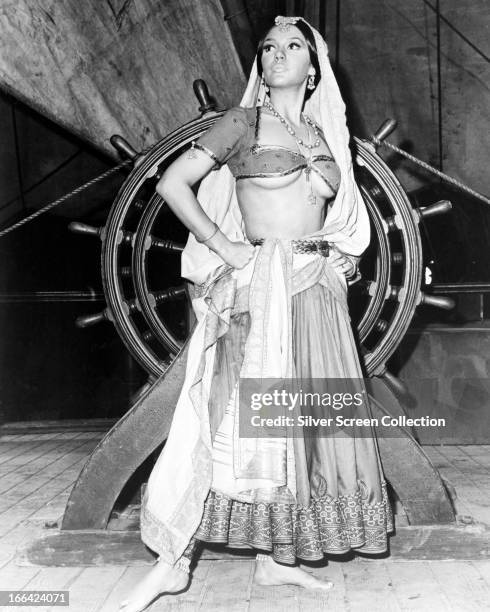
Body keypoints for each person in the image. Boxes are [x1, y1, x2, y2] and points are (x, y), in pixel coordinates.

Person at [119, 15, 393, 612]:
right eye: (268, 48)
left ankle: (276, 561)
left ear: (313, 66)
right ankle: (172, 565)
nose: (276, 56)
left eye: (293, 47)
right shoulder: (244, 122)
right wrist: (223, 246)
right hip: (261, 290)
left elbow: (333, 214)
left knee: (301, 428)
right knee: (227, 422)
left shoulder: (324, 136)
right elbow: (173, 183)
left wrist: (334, 262)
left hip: (316, 294)